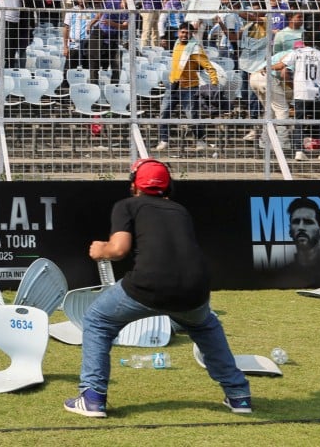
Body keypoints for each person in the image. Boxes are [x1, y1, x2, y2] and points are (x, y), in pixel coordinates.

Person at [64, 158, 252, 418]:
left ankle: (92, 397)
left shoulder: (127, 205)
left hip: (148, 285)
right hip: (195, 288)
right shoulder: (179, 210)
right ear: (168, 186)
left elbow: (118, 250)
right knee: (205, 326)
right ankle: (239, 396)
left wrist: (100, 250)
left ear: (134, 185)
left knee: (97, 320)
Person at [156, 23, 220, 152]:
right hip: (173, 85)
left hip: (189, 87)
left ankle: (200, 141)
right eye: (182, 32)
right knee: (164, 112)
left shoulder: (195, 49)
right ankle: (164, 140)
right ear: (178, 32)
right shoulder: (176, 44)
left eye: (187, 33)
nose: (184, 35)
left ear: (191, 34)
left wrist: (214, 82)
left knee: (192, 115)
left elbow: (208, 66)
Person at [271, 39, 320, 160]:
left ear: (303, 40)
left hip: (301, 92)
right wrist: (319, 76)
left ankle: (299, 152)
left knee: (299, 122)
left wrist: (268, 67)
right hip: (316, 94)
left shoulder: (297, 53)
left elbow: (281, 65)